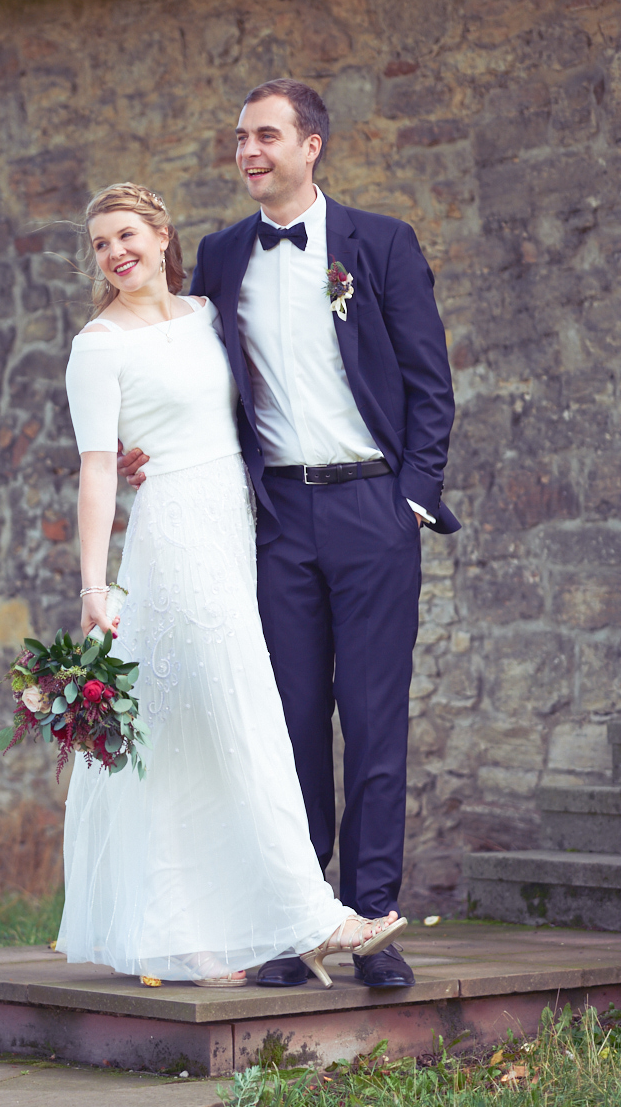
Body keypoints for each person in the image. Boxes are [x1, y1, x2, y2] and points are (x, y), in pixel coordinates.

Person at [119, 81, 459, 990]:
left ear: (312, 146)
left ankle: (374, 924)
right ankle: (296, 923)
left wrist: (413, 499)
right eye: (240, 138)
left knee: (375, 722)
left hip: (373, 508)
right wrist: (142, 443)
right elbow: (186, 369)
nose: (248, 151)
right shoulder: (222, 254)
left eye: (266, 135)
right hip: (274, 520)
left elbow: (430, 382)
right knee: (287, 723)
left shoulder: (380, 243)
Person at [56, 182, 406, 988]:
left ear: (162, 235)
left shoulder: (207, 315)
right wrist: (93, 587)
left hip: (240, 528)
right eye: (101, 244)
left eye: (127, 235)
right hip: (176, 536)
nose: (115, 253)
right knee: (246, 716)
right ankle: (318, 918)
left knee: (192, 736)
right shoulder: (97, 346)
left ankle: (192, 933)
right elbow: (97, 467)